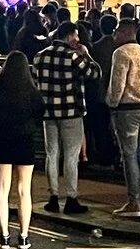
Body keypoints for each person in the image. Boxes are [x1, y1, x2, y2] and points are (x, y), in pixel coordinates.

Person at [30, 22, 99, 215]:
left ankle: (53, 196)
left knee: (52, 154)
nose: (77, 40)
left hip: (48, 112)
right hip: (71, 111)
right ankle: (71, 197)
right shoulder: (74, 55)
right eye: (76, 36)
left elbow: (36, 81)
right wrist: (86, 54)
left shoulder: (39, 56)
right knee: (71, 155)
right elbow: (94, 73)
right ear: (69, 36)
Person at [0, 51, 41, 249]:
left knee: (2, 191)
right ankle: (24, 236)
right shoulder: (32, 93)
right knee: (24, 191)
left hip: (1, 144)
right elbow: (39, 116)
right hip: (24, 143)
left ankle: (4, 235)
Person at [106, 20, 140, 218]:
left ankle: (133, 202)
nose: (114, 36)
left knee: (129, 155)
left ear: (123, 32)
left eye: (116, 32)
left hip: (127, 109)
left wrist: (112, 103)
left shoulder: (121, 53)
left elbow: (117, 84)